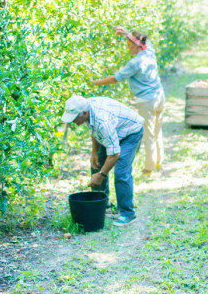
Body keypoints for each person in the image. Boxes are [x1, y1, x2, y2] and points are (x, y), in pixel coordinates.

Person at [61, 95, 144, 226]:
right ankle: (101, 204)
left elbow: (115, 154)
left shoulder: (102, 120)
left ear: (84, 113)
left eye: (74, 118)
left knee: (121, 171)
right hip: (114, 132)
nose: (73, 121)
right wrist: (94, 153)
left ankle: (128, 212)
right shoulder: (87, 112)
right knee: (97, 163)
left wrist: (101, 175)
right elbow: (95, 131)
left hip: (130, 132)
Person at [92, 26, 165, 175]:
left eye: (128, 44)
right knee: (158, 131)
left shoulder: (135, 63)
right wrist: (127, 33)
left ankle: (149, 168)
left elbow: (115, 78)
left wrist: (95, 82)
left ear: (134, 45)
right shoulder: (149, 52)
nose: (127, 48)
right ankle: (158, 162)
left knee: (148, 134)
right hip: (159, 96)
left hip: (147, 100)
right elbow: (146, 41)